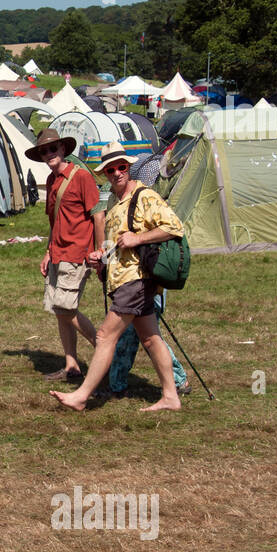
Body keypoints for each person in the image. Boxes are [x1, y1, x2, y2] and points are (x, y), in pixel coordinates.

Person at [51, 142, 183, 413]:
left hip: (136, 278)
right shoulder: (113, 199)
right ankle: (171, 396)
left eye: (121, 167)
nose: (117, 173)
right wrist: (101, 254)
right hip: (122, 277)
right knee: (150, 338)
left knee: (104, 336)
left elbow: (174, 227)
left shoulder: (145, 196)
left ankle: (82, 395)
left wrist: (139, 238)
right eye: (111, 170)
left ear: (129, 167)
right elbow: (114, 240)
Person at [29, 128, 102, 383]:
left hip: (77, 252)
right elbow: (54, 220)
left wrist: (99, 251)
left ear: (63, 149)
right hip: (58, 253)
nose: (48, 154)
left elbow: (98, 215)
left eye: (52, 149)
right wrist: (48, 251)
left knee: (65, 307)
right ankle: (72, 366)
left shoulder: (81, 177)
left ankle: (104, 348)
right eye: (43, 151)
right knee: (59, 310)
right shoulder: (51, 181)